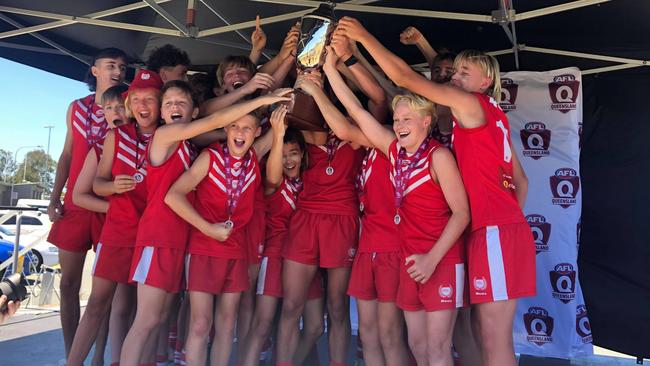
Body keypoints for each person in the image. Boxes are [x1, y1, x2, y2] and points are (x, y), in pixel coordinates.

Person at [337, 18, 535, 366]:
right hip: (491, 231)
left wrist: (363, 36)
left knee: (493, 337)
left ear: (486, 81)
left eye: (463, 72)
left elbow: (403, 80)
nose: (454, 78)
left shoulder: (473, 105)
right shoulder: (489, 117)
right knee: (478, 333)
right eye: (453, 72)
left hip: (493, 232)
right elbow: (522, 182)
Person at [165, 88, 291, 366]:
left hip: (235, 250)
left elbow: (274, 166)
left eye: (248, 128)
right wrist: (207, 228)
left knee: (226, 325)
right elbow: (172, 195)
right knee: (200, 324)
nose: (240, 132)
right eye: (235, 126)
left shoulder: (253, 157)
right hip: (203, 248)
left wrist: (282, 123)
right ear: (225, 127)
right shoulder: (209, 156)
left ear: (257, 133)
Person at [66, 69, 164, 366]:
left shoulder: (170, 136)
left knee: (138, 311)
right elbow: (96, 184)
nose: (143, 105)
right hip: (118, 232)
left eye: (151, 99)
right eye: (137, 99)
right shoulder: (115, 136)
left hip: (152, 236)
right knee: (97, 303)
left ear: (161, 103)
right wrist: (112, 187)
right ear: (129, 104)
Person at [275, 71, 364, 366]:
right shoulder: (301, 132)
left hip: (343, 221)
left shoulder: (356, 131)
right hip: (307, 220)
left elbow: (367, 107)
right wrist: (304, 86)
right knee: (291, 306)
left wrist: (321, 88)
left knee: (338, 307)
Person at [46, 47, 127, 359]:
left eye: (122, 66)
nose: (117, 71)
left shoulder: (127, 106)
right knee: (68, 285)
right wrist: (54, 197)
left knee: (104, 294)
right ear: (95, 70)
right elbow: (66, 155)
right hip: (75, 207)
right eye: (111, 65)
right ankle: (71, 355)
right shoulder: (76, 108)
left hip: (111, 206)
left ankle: (98, 357)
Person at [241, 111, 325, 366]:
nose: (288, 160)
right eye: (282, 154)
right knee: (264, 323)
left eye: (293, 153)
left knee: (314, 327)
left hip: (307, 258)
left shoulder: (311, 181)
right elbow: (273, 178)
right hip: (276, 255)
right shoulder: (271, 181)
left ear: (303, 154)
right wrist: (277, 136)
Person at [71, 84, 127, 366]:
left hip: (139, 235)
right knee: (100, 302)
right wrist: (119, 209)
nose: (116, 112)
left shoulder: (150, 142)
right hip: (111, 232)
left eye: (121, 106)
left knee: (124, 305)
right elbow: (79, 196)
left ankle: (105, 359)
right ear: (102, 113)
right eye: (109, 108)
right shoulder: (98, 146)